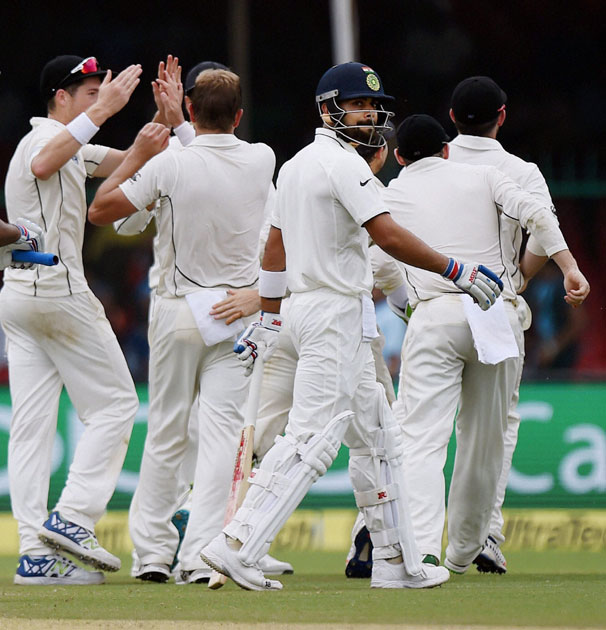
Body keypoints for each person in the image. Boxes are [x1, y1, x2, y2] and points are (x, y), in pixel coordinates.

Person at [200, 62, 503, 592]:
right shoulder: (343, 165)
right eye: (357, 105)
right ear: (327, 110)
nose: (369, 114)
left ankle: (395, 561)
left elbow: (275, 247)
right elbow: (386, 235)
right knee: (313, 438)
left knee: (380, 437)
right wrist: (455, 269)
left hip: (320, 310)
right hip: (333, 310)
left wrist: (270, 318)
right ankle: (236, 544)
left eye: (372, 106)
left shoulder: (295, 165)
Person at [89, 68, 276, 584]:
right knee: (220, 439)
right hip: (238, 312)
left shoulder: (170, 164)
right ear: (239, 117)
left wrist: (148, 147)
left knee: (168, 432)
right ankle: (199, 559)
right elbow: (214, 158)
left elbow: (101, 210)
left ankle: (151, 554)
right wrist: (183, 125)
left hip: (179, 311)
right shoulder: (263, 159)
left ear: (191, 111)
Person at [384, 114, 589, 574]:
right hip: (494, 311)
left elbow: (382, 263)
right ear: (446, 148)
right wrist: (570, 267)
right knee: (485, 440)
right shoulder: (485, 175)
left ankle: (422, 551)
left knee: (420, 438)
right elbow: (538, 215)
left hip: (435, 313)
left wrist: (407, 307)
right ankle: (463, 550)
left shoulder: (390, 193)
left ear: (398, 157)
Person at [0, 54, 142, 585]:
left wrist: (166, 130)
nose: (97, 100)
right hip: (54, 289)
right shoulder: (41, 139)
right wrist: (103, 110)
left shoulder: (72, 146)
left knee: (32, 428)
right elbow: (44, 163)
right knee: (116, 405)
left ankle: (36, 553)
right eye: (88, 93)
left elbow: (125, 162)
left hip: (20, 295)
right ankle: (74, 516)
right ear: (61, 96)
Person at [447, 76, 590, 572]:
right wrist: (521, 275)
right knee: (494, 427)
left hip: (433, 304)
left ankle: (404, 536)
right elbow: (541, 228)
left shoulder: (429, 163)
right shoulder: (519, 170)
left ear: (450, 117)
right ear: (502, 117)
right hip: (493, 306)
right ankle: (484, 533)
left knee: (419, 428)